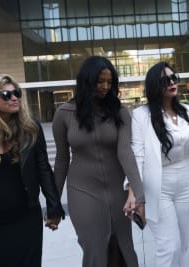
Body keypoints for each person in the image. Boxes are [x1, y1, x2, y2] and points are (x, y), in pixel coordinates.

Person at [0, 73, 65, 266]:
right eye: (6, 95)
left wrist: (54, 206)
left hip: (27, 219)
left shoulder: (30, 129)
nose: (14, 97)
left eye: (16, 93)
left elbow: (43, 169)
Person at [52, 55, 145, 267]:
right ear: (87, 81)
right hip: (82, 191)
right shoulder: (64, 114)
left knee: (121, 248)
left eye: (109, 82)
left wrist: (139, 195)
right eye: (100, 81)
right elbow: (61, 160)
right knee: (94, 247)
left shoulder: (120, 112)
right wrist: (53, 203)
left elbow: (125, 153)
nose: (105, 87)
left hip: (117, 190)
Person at [131, 62, 189, 267]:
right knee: (168, 245)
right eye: (166, 80)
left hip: (186, 182)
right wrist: (133, 193)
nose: (172, 82)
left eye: (175, 78)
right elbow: (137, 155)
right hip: (158, 184)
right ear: (155, 85)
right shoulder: (141, 115)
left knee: (181, 244)